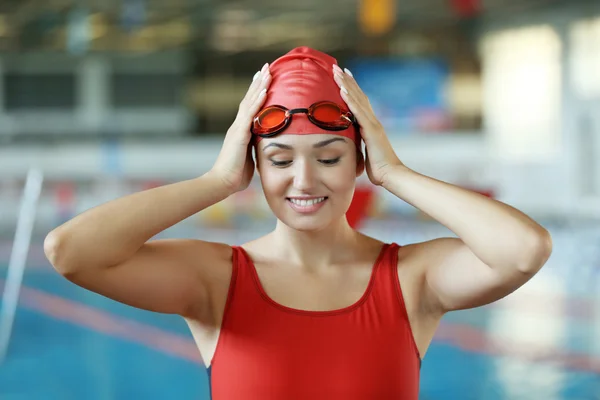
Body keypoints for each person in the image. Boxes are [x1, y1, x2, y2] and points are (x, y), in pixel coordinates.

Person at [44, 47, 553, 399]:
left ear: (360, 161)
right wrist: (217, 181)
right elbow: (69, 251)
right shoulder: (218, 280)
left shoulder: (410, 280)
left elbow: (524, 249)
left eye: (329, 158)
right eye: (280, 160)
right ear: (254, 166)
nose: (304, 180)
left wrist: (395, 173)